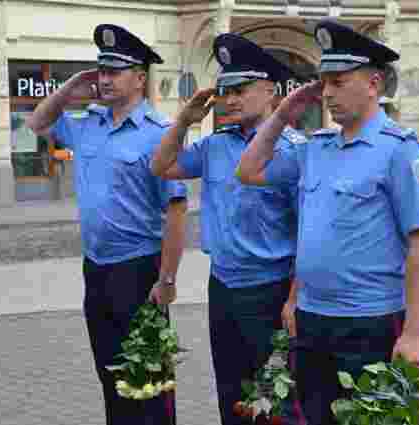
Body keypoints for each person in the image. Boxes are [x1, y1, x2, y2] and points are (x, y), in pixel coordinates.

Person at [237, 19, 419, 425]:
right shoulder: (317, 148)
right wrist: (281, 116)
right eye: (323, 82)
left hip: (370, 322)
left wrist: (414, 332)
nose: (326, 93)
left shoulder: (400, 151)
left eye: (338, 81)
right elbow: (248, 170)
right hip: (313, 319)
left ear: (374, 84)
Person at [27, 24, 187, 425]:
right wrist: (69, 88)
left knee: (148, 376)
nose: (105, 78)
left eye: (116, 71)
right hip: (96, 268)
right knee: (109, 373)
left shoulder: (159, 134)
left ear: (140, 77)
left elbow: (176, 210)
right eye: (101, 70)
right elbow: (39, 123)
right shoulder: (87, 124)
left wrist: (167, 279)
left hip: (138, 271)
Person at [151, 33, 303, 425]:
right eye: (225, 90)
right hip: (223, 288)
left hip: (270, 292)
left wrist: (294, 297)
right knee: (231, 395)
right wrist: (184, 120)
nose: (230, 99)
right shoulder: (216, 145)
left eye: (241, 89)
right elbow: (162, 167)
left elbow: (309, 232)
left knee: (274, 400)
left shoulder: (294, 150)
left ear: (270, 90)